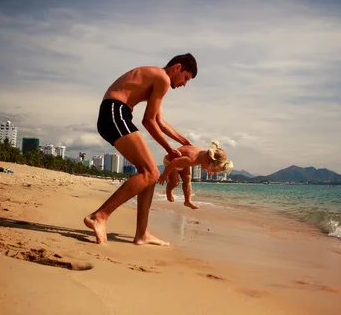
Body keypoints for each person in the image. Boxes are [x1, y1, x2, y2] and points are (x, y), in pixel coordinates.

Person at [83, 53, 197, 245]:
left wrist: (185, 141)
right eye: (186, 78)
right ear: (177, 68)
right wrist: (169, 148)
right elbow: (149, 121)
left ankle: (142, 233)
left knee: (150, 174)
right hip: (115, 112)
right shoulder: (162, 78)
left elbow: (159, 120)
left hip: (115, 114)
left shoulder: (156, 78)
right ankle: (99, 216)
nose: (184, 84)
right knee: (151, 172)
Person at [158, 140, 234, 209]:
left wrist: (211, 169)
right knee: (175, 182)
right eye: (209, 169)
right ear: (206, 161)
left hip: (182, 162)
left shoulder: (204, 154)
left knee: (187, 179)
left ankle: (187, 201)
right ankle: (169, 189)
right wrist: (164, 175)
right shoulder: (191, 159)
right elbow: (174, 162)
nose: (208, 170)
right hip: (170, 162)